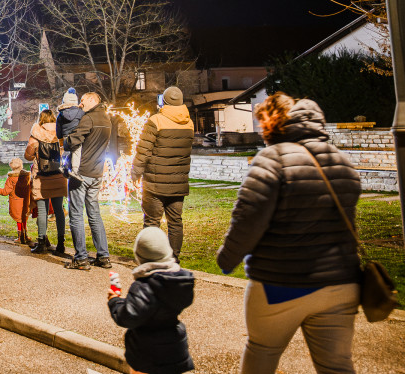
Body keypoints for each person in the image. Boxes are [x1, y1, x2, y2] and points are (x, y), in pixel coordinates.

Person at [216, 95, 361, 374]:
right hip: (340, 283)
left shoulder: (274, 158)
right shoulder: (342, 160)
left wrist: (227, 259)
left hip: (280, 283)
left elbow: (248, 218)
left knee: (262, 353)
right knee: (336, 366)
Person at [108, 227, 195, 374]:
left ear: (139, 257)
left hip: (147, 351)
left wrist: (114, 301)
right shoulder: (178, 283)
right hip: (175, 348)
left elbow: (128, 316)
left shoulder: (144, 287)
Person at [132, 86, 194, 262]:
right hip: (179, 182)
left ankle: (150, 259)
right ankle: (174, 258)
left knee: (152, 222)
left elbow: (143, 150)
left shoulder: (156, 121)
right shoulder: (189, 123)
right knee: (175, 222)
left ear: (164, 101)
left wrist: (136, 171)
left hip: (155, 182)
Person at [63, 92, 112, 270]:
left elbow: (73, 142)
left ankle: (81, 258)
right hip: (96, 173)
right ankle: (103, 256)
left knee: (76, 214)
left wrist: (66, 140)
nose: (81, 104)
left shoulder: (89, 118)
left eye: (83, 100)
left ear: (93, 100)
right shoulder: (107, 119)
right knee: (94, 214)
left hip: (81, 173)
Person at [24, 109, 67, 253]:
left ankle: (41, 243)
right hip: (57, 175)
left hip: (41, 176)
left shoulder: (36, 135)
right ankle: (61, 243)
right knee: (59, 210)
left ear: (41, 119)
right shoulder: (60, 134)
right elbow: (65, 151)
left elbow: (28, 156)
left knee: (42, 210)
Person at [0, 158, 32, 244]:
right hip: (26, 201)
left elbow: (5, 192)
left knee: (18, 219)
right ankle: (25, 235)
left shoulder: (11, 179)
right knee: (24, 218)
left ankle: (20, 236)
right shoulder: (27, 177)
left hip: (16, 202)